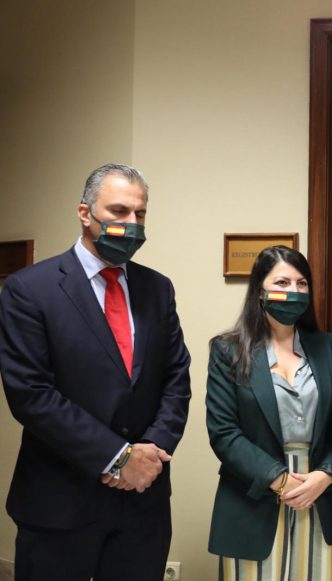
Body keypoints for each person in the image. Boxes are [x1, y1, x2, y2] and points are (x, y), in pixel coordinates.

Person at [0, 163, 191, 580]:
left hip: (143, 503)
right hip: (59, 501)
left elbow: (177, 377)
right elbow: (31, 394)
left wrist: (153, 450)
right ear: (85, 213)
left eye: (140, 214)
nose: (132, 223)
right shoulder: (29, 290)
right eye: (119, 211)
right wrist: (117, 458)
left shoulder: (158, 289)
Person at [206, 245, 332, 580]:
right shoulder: (228, 351)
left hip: (317, 496)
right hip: (253, 499)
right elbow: (224, 434)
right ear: (260, 290)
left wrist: (325, 474)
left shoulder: (324, 347)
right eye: (282, 283)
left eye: (301, 284)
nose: (293, 291)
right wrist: (279, 480)